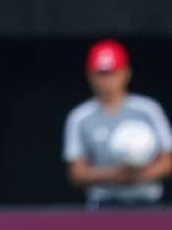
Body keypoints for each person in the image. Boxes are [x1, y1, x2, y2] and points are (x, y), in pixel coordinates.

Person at [63, 40, 172, 209]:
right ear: (90, 75)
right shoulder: (79, 117)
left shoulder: (149, 110)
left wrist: (139, 176)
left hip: (148, 203)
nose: (107, 81)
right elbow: (76, 173)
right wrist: (116, 176)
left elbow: (168, 161)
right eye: (101, 73)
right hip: (103, 204)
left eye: (112, 72)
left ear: (126, 73)